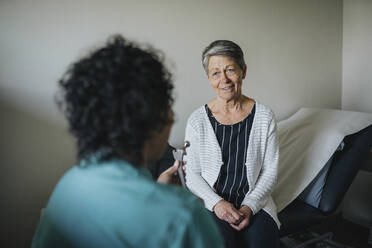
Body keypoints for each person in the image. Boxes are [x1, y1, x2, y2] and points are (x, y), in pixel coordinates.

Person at [32, 35, 223, 248]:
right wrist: (178, 207)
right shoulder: (184, 217)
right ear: (147, 116)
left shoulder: (68, 186)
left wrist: (159, 190)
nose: (173, 116)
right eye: (167, 103)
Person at [185, 40, 280, 248]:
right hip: (212, 205)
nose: (224, 79)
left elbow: (270, 171)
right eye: (215, 73)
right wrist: (216, 203)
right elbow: (192, 174)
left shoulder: (264, 116)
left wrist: (250, 206)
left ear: (243, 71)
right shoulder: (197, 120)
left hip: (256, 203)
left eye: (230, 70)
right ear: (208, 78)